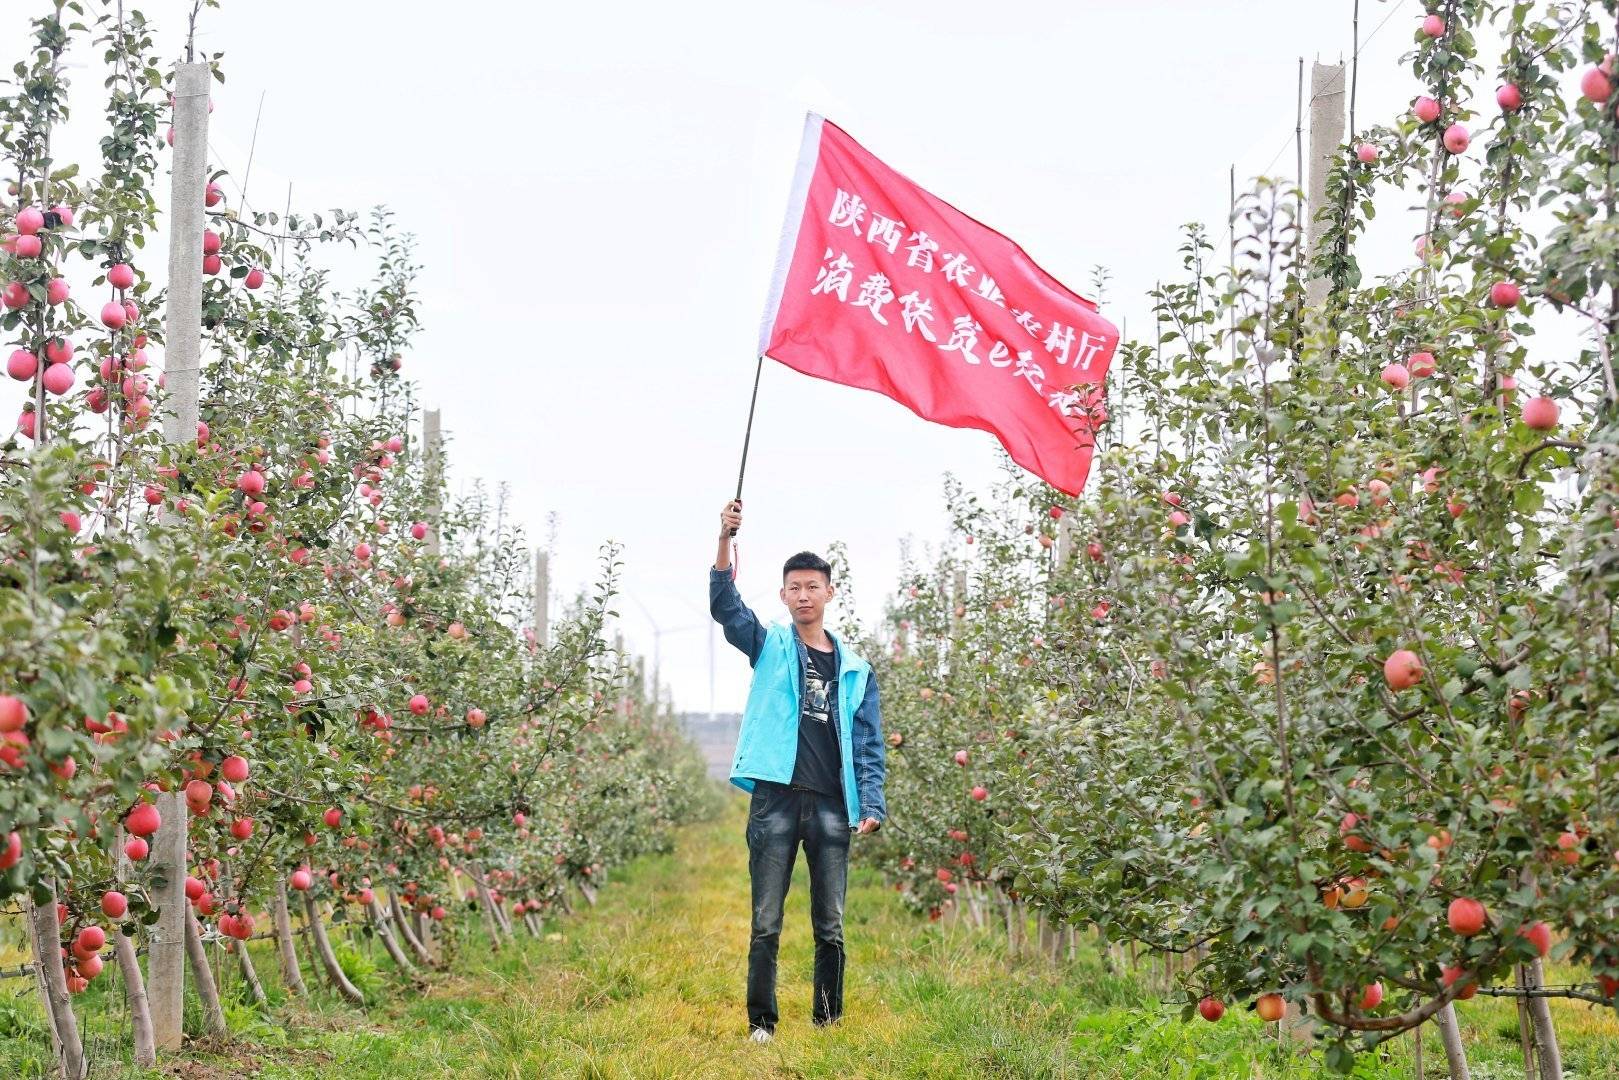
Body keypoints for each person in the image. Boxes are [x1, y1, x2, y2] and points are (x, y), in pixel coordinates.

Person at [709, 498, 886, 1044]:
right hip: (776, 798)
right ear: (783, 595)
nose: (804, 595)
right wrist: (724, 541)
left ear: (830, 593)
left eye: (813, 586)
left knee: (829, 923)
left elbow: (868, 743)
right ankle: (762, 1022)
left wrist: (873, 804)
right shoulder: (769, 645)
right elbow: (725, 608)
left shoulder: (856, 668)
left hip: (833, 803)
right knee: (767, 918)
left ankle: (828, 1021)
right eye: (794, 588)